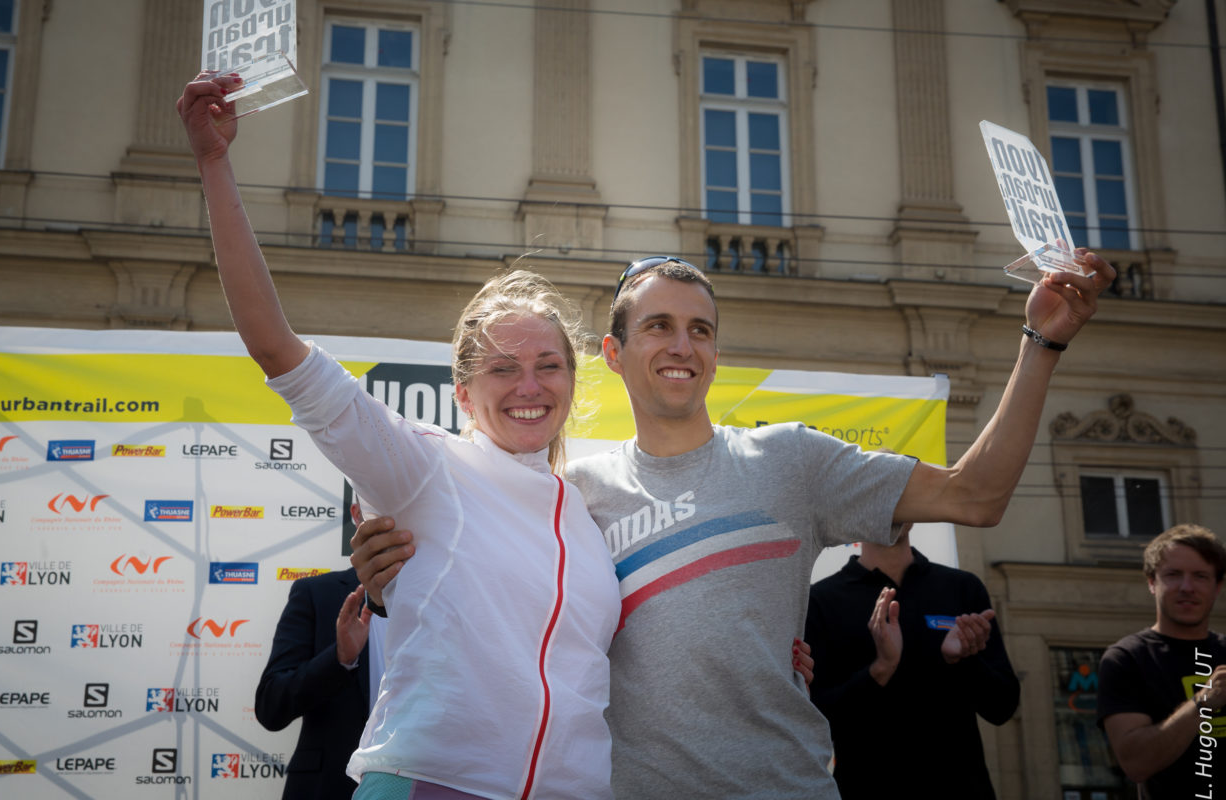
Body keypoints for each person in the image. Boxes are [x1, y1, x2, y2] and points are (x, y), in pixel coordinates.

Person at [355, 254, 1110, 791]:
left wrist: (1042, 342)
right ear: (615, 354)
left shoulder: (791, 460)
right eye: (658, 326)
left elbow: (974, 496)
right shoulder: (570, 493)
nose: (682, 345)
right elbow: (478, 590)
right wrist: (385, 571)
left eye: (701, 330)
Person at [177, 74, 620, 800]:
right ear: (464, 396)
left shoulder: (587, 511)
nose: (531, 387)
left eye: (548, 366)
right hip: (431, 783)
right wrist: (214, 164)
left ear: (573, 381)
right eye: (504, 369)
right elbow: (275, 347)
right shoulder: (427, 469)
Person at [805, 522, 1019, 799]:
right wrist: (881, 669)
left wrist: (963, 660)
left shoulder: (962, 588)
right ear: (857, 511)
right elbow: (814, 722)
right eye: (877, 495)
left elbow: (1003, 706)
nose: (891, 508)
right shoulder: (821, 602)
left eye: (900, 496)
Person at [256, 504, 389, 800]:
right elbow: (271, 706)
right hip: (329, 788)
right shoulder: (316, 593)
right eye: (376, 503)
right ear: (357, 515)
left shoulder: (450, 603)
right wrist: (340, 659)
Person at [1097, 524, 1226, 799]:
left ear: (1218, 587)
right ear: (1151, 582)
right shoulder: (1126, 659)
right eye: (1173, 575)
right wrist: (1202, 704)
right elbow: (1136, 764)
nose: (1187, 587)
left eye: (1201, 576)